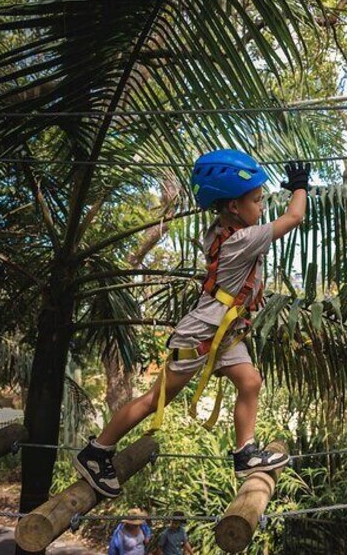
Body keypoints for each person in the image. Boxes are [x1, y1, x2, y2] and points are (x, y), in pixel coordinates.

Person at [73, 150, 310, 497]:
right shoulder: (243, 239)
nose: (262, 208)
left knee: (250, 380)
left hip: (223, 332)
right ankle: (97, 452)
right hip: (201, 333)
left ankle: (245, 452)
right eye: (257, 201)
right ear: (232, 207)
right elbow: (294, 217)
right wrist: (301, 187)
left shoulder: (221, 230)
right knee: (156, 398)